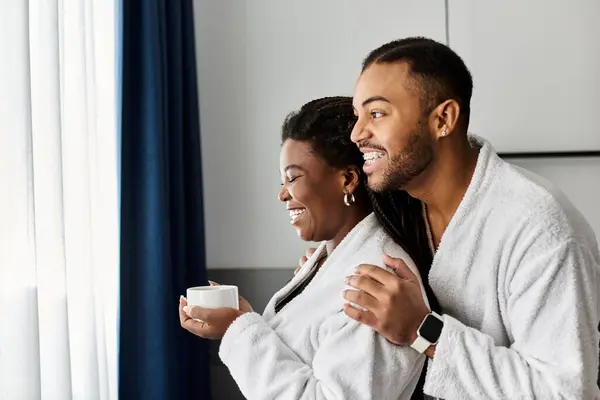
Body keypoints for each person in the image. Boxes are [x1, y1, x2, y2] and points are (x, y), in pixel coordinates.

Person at [335, 37, 600, 399]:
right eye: (357, 115)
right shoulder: (399, 204)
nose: (357, 133)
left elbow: (564, 393)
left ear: (442, 119)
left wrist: (422, 329)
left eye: (377, 113)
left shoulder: (539, 226)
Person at [178, 97, 433, 399]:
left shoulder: (376, 281)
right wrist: (243, 320)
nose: (282, 194)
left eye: (293, 177)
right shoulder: (327, 261)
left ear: (348, 179)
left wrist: (238, 329)